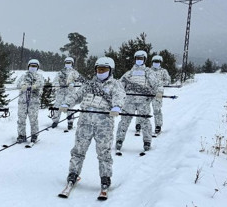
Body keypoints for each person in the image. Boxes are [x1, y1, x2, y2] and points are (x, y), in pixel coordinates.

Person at [58, 57, 126, 191]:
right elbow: (77, 95)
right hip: (85, 122)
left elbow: (120, 96)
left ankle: (105, 177)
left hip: (104, 124)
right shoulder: (89, 84)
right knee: (78, 149)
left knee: (104, 152)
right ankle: (73, 173)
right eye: (99, 69)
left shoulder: (115, 84)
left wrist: (117, 107)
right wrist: (66, 103)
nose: (101, 72)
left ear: (110, 70)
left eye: (104, 69)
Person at [115, 50, 161, 153]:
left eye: (141, 59)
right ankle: (119, 140)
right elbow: (120, 85)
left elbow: (157, 84)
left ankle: (147, 141)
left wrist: (159, 92)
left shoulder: (148, 72)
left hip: (143, 102)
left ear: (144, 60)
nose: (139, 60)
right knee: (124, 121)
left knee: (145, 121)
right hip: (129, 101)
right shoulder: (129, 73)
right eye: (137, 58)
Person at [14, 59, 45, 144]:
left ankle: (34, 135)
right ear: (28, 66)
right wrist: (22, 86)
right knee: (21, 119)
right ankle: (21, 135)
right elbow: (17, 84)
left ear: (37, 67)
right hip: (22, 102)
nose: (33, 68)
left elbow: (41, 87)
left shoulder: (40, 77)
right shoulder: (23, 76)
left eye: (35, 66)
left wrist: (35, 87)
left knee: (33, 119)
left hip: (33, 102)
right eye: (31, 66)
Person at [52, 56, 81, 131]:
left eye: (69, 62)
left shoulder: (75, 72)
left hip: (70, 93)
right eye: (66, 62)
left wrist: (73, 85)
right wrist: (56, 85)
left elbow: (79, 82)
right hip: (60, 92)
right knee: (57, 106)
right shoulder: (60, 72)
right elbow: (55, 80)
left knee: (69, 107)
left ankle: (70, 122)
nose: (68, 64)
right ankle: (55, 121)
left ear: (72, 63)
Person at [150, 54, 170, 135]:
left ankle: (158, 125)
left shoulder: (163, 71)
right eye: (155, 61)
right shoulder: (148, 70)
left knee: (157, 109)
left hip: (158, 92)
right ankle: (139, 124)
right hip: (148, 91)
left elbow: (168, 81)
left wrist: (159, 83)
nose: (156, 63)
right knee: (143, 109)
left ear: (160, 62)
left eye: (157, 62)